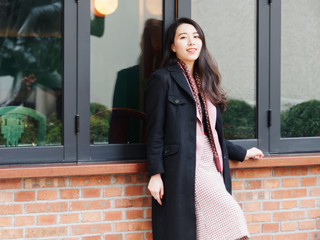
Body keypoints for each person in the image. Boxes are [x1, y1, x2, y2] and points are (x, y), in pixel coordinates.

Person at [146, 18, 264, 240]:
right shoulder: (162, 80)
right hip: (185, 168)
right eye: (183, 37)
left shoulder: (206, 82)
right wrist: (155, 173)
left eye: (196, 36)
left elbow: (212, 134)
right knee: (232, 217)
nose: (192, 41)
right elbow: (155, 132)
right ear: (172, 46)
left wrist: (242, 152)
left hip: (212, 164)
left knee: (209, 230)